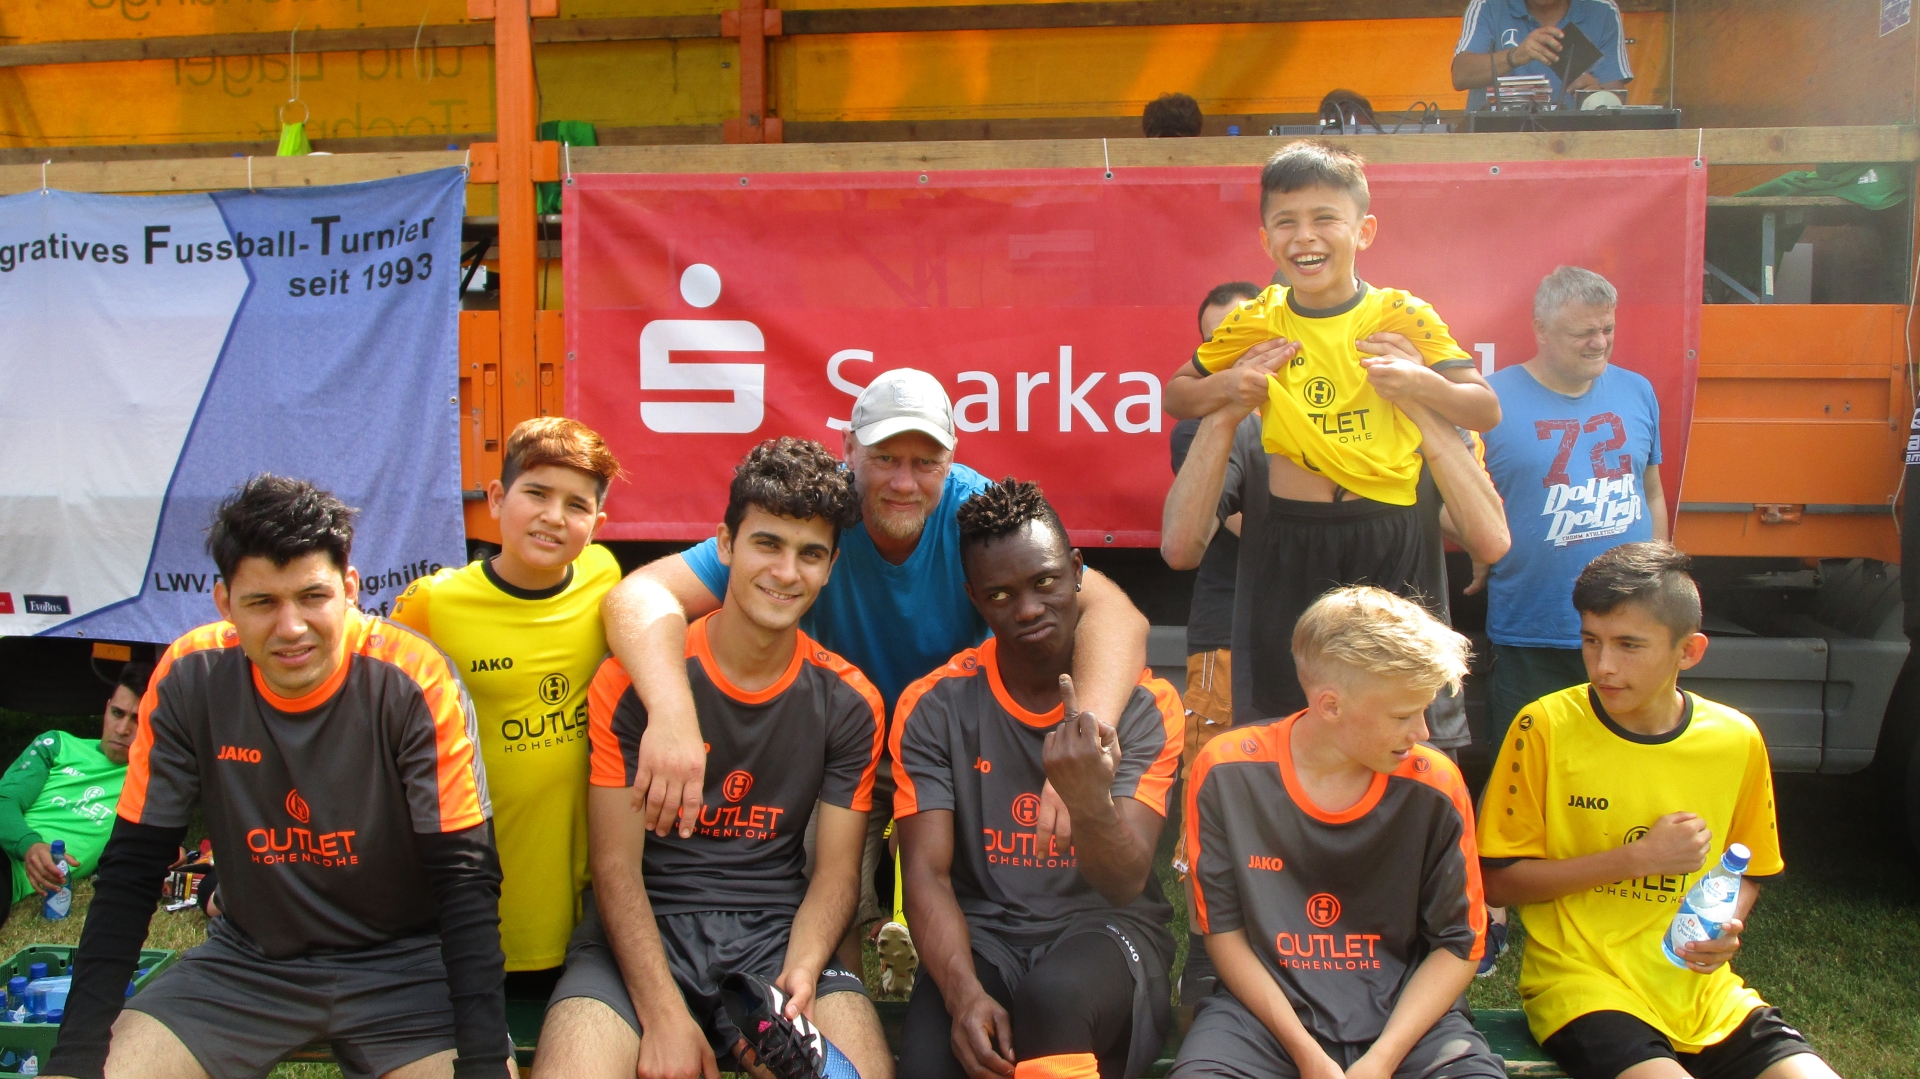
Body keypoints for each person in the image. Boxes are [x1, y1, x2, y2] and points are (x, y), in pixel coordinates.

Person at [600, 368, 1151, 973]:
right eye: (885, 457)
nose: (903, 482)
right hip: (840, 745)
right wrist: (671, 713)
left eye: (925, 462)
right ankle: (842, 995)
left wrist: (1082, 744)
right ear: (849, 449)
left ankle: (959, 983)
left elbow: (1117, 614)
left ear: (951, 460)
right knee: (824, 886)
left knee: (979, 902)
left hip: (950, 748)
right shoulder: (817, 513)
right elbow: (638, 597)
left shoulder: (975, 509)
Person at [48, 474, 509, 1079]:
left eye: (313, 596)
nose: (291, 627)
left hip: (408, 968)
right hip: (246, 965)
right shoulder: (189, 675)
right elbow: (133, 868)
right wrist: (77, 1054)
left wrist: (483, 1063)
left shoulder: (415, 677)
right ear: (224, 603)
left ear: (350, 590)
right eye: (262, 603)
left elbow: (466, 879)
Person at [535, 437, 891, 1079]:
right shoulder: (633, 682)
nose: (787, 572)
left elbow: (836, 874)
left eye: (810, 554)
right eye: (767, 544)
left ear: (831, 567)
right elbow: (615, 868)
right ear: (725, 544)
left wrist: (801, 973)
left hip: (774, 934)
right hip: (638, 937)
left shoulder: (850, 702)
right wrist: (663, 1013)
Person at [1160, 141, 1503, 720]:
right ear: (1265, 240)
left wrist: (1420, 386)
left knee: (1396, 731)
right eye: (1286, 222)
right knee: (1295, 735)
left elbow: (1483, 410)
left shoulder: (1401, 317)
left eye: (1325, 218)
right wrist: (1231, 390)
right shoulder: (1258, 321)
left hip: (1393, 546)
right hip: (1291, 553)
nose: (1305, 236)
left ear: (1364, 231)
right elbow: (1177, 395)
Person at [1478, 543, 1842, 1079]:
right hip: (1582, 988)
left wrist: (1725, 927)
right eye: (1591, 641)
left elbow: (1749, 868)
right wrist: (1638, 859)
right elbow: (1496, 883)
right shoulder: (1544, 726)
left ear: (1689, 651)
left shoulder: (1737, 738)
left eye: (1629, 645)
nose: (1604, 665)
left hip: (1706, 996)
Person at [893, 478, 1182, 1079]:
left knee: (1053, 1001)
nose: (1027, 608)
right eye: (1000, 594)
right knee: (929, 1060)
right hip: (986, 936)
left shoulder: (1147, 705)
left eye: (1045, 582)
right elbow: (926, 874)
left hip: (1108, 930)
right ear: (974, 599)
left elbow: (1126, 883)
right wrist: (963, 995)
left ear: (1077, 571)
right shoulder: (933, 706)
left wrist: (1087, 797)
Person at [1172, 586, 1503, 1079]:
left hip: (1407, 1020)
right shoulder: (1226, 770)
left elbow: (1459, 946)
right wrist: (1306, 1054)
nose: (1423, 733)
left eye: (1425, 710)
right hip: (1262, 1019)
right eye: (1403, 715)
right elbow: (1223, 934)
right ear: (1330, 705)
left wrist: (1383, 1060)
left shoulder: (1435, 783)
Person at [391, 418, 624, 992]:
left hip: (581, 886)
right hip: (482, 888)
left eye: (576, 505)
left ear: (597, 524)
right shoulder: (433, 605)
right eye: (537, 493)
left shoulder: (604, 576)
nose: (553, 516)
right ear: (496, 499)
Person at [1474, 266, 1666, 752]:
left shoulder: (1638, 391)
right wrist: (1476, 540)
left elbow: (1652, 491)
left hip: (1631, 631)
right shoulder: (1487, 401)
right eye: (1583, 332)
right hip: (1533, 633)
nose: (1599, 342)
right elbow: (1440, 497)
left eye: (1607, 329)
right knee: (1525, 772)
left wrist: (1660, 579)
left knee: (1625, 769)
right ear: (1541, 329)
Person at [1168, 282, 1262, 775]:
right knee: (1214, 775)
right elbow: (1245, 524)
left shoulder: (1316, 413)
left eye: (1244, 334)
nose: (1235, 353)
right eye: (1218, 342)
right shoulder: (1198, 426)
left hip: (1309, 631)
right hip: (1227, 633)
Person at [0, 661, 149, 915]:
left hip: (8, 873)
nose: (122, 729)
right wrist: (30, 846)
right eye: (117, 713)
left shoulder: (151, 779)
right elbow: (5, 799)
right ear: (106, 709)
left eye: (138, 720)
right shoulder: (57, 744)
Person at [1451, 0, 1633, 111]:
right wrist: (1515, 55)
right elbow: (1460, 75)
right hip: (1496, 144)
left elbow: (1616, 103)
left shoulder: (1601, 10)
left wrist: (1596, 94)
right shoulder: (1489, 5)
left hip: (1573, 144)